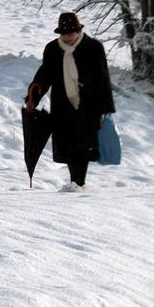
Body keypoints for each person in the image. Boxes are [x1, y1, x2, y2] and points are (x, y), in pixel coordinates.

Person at [25, 12, 115, 191]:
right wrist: (32, 99)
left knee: (82, 147)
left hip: (88, 107)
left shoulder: (93, 47)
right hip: (62, 106)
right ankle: (76, 183)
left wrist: (105, 109)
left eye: (70, 33)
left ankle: (78, 183)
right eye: (63, 34)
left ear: (78, 30)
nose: (67, 38)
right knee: (68, 146)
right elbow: (45, 76)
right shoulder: (52, 49)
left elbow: (103, 79)